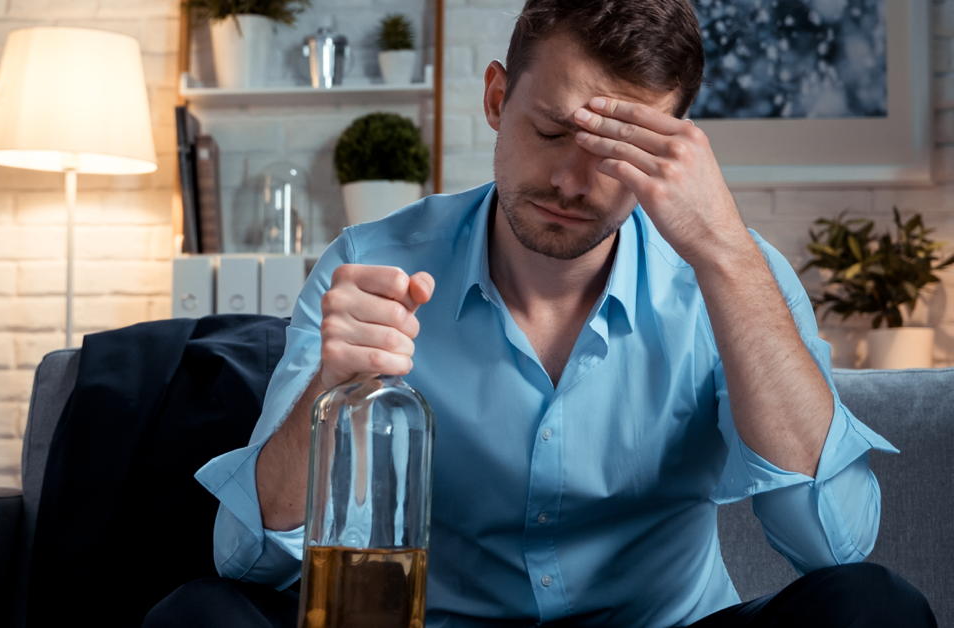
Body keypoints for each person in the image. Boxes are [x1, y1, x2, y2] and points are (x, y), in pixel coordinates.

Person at [147, 0, 937, 626]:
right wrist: (330, 387)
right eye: (552, 130)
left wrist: (726, 256)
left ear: (674, 152)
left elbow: (834, 547)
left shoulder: (732, 270)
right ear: (496, 97)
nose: (571, 180)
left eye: (618, 153)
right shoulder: (373, 261)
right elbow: (247, 562)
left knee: (873, 608)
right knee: (199, 615)